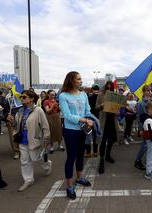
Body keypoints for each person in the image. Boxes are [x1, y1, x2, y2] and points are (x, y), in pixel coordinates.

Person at [8, 90, 52, 192]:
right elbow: (16, 126)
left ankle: (46, 162)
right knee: (24, 161)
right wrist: (12, 121)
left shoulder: (38, 110)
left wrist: (46, 139)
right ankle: (28, 180)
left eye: (24, 97)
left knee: (36, 158)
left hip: (35, 140)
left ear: (31, 99)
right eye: (21, 97)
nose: (21, 99)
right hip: (22, 140)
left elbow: (45, 126)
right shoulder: (19, 111)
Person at [59, 71, 93, 200]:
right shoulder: (63, 96)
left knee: (80, 155)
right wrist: (85, 120)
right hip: (70, 131)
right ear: (71, 80)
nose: (81, 81)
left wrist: (90, 119)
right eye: (78, 79)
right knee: (71, 157)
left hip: (83, 130)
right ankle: (69, 185)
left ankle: (79, 178)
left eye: (81, 79)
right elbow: (67, 116)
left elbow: (87, 110)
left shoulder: (84, 94)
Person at [96, 81, 118, 174]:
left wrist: (118, 108)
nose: (109, 89)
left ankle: (108, 155)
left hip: (112, 121)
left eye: (111, 87)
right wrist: (102, 105)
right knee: (102, 142)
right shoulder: (101, 94)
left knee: (111, 140)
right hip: (104, 121)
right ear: (105, 87)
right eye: (107, 87)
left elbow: (117, 108)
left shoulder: (114, 95)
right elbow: (96, 107)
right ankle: (101, 162)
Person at [134, 85, 152, 170]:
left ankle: (149, 160)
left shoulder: (151, 101)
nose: (149, 92)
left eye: (150, 90)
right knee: (145, 145)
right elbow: (140, 117)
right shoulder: (141, 103)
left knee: (151, 144)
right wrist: (140, 129)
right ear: (143, 92)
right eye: (147, 90)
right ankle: (138, 160)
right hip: (145, 126)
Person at [85, 84, 101, 157]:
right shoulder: (100, 98)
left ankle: (88, 152)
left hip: (88, 119)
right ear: (99, 89)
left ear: (92, 90)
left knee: (87, 135)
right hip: (97, 119)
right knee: (96, 135)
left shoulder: (89, 97)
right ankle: (95, 152)